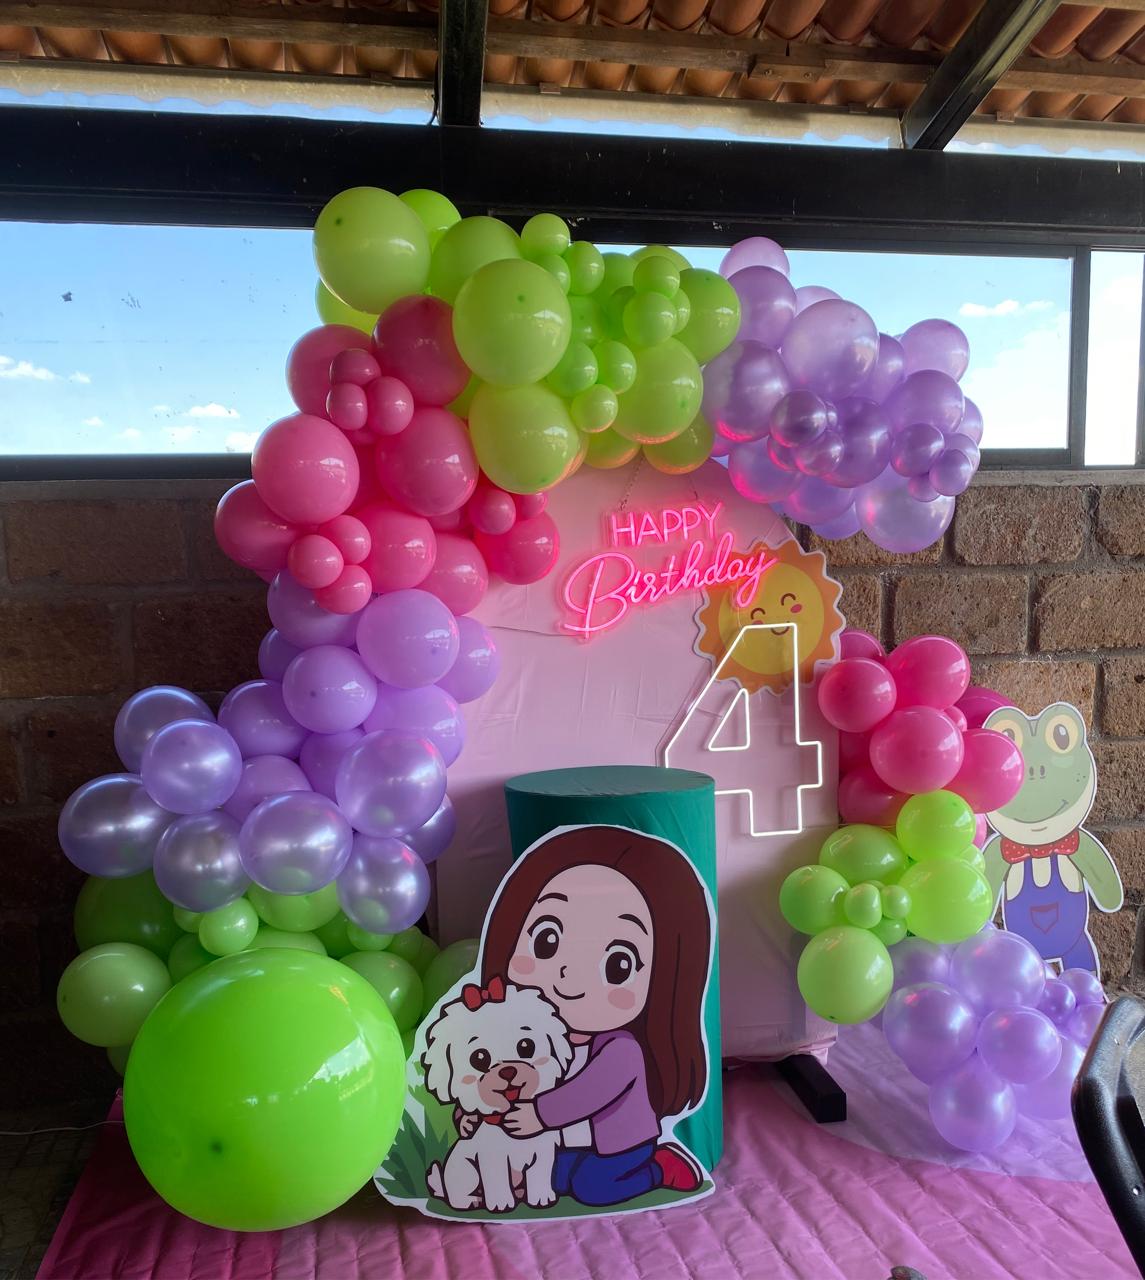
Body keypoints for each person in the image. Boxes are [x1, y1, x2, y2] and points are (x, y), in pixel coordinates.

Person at [477, 825, 711, 1208]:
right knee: (549, 1170)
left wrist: (540, 1115)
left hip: (621, 1146)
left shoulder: (622, 1050)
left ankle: (660, 1167)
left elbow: (587, 1092)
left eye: (619, 965)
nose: (568, 976)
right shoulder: (533, 1036)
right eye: (546, 940)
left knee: (593, 1188)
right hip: (570, 1140)